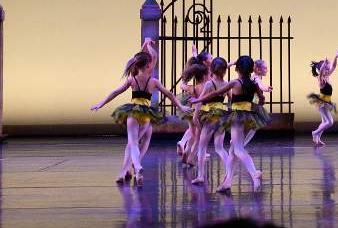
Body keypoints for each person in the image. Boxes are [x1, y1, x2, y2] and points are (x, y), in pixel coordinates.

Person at [91, 39, 190, 185]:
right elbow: (169, 94)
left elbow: (115, 92)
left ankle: (136, 166)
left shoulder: (132, 79)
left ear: (136, 64)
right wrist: (181, 107)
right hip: (146, 114)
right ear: (149, 64)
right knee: (139, 141)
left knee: (133, 143)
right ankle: (130, 169)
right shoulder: (153, 81)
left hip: (133, 112)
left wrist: (101, 103)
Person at [191, 55, 266, 193]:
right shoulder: (253, 84)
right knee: (231, 150)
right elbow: (261, 99)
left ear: (237, 69)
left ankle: (254, 172)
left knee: (237, 149)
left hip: (237, 118)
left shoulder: (234, 83)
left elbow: (216, 93)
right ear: (251, 69)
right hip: (249, 116)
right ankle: (227, 182)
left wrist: (197, 100)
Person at [191, 57, 230, 185]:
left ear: (212, 69)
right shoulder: (226, 84)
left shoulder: (209, 84)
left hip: (210, 116)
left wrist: (195, 116)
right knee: (219, 147)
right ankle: (229, 172)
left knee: (202, 147)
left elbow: (200, 100)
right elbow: (231, 100)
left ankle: (201, 176)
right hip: (222, 116)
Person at [307, 49, 338, 146]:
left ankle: (317, 138)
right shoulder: (321, 79)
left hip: (327, 102)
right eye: (326, 69)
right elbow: (322, 71)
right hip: (322, 103)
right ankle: (315, 133)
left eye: (328, 68)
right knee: (330, 122)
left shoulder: (327, 76)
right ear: (321, 69)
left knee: (324, 122)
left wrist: (335, 57)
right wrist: (323, 65)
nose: (328, 70)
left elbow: (334, 66)